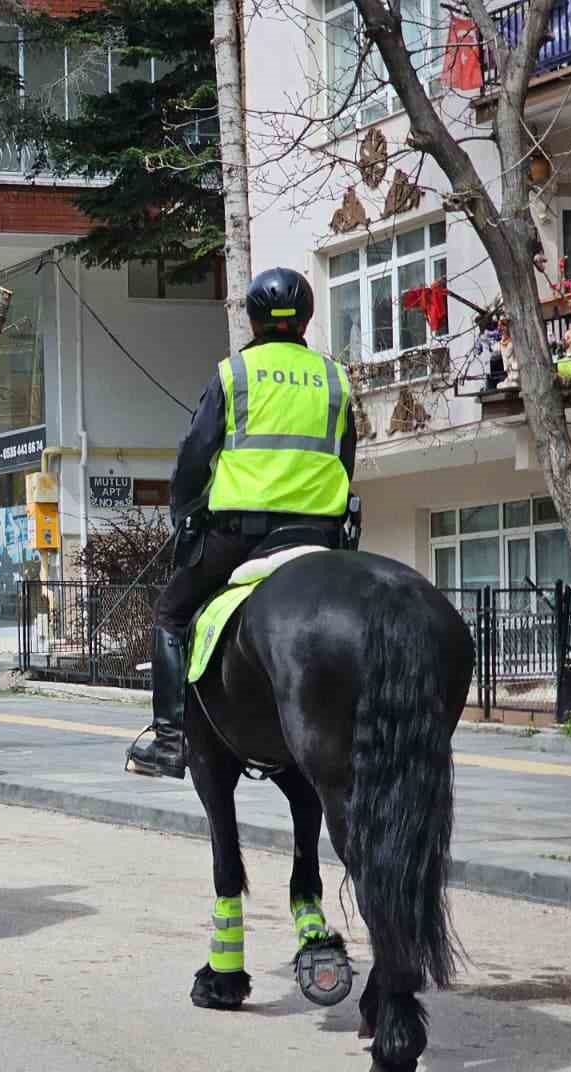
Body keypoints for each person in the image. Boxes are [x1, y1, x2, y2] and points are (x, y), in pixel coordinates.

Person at [126, 267, 358, 779]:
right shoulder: (336, 380)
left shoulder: (234, 375)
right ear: (305, 319)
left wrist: (184, 512)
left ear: (254, 320)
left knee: (170, 614)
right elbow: (346, 460)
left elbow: (194, 459)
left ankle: (169, 740)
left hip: (240, 538)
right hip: (319, 537)